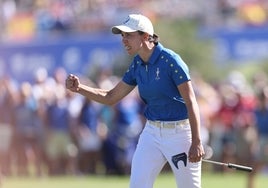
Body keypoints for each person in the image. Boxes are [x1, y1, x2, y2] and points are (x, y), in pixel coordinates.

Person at [66, 14, 204, 188]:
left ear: (145, 36)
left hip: (180, 134)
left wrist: (197, 142)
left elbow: (191, 102)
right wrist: (79, 88)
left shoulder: (171, 61)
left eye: (128, 35)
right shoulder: (137, 64)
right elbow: (111, 97)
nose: (124, 40)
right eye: (122, 36)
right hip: (152, 133)